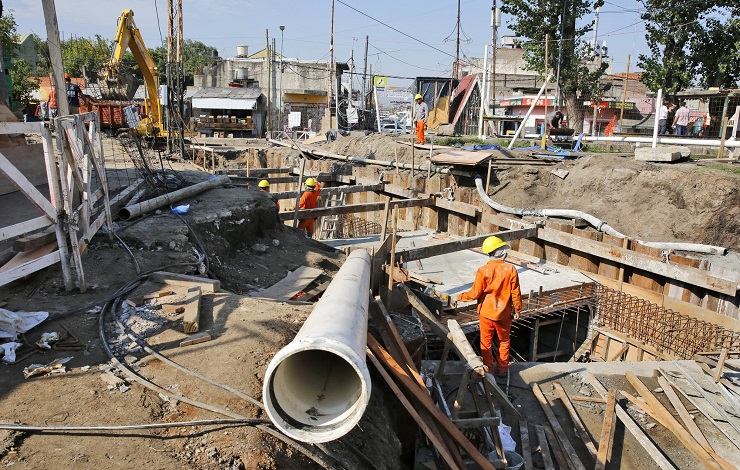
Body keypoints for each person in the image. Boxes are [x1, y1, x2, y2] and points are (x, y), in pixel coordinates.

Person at [456, 236, 522, 378]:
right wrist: (517, 310)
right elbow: (516, 293)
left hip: (486, 313)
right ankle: (503, 370)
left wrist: (459, 297)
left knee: (485, 343)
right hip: (504, 314)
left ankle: (489, 371)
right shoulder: (510, 269)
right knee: (504, 341)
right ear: (500, 252)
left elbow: (474, 293)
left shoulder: (483, 270)